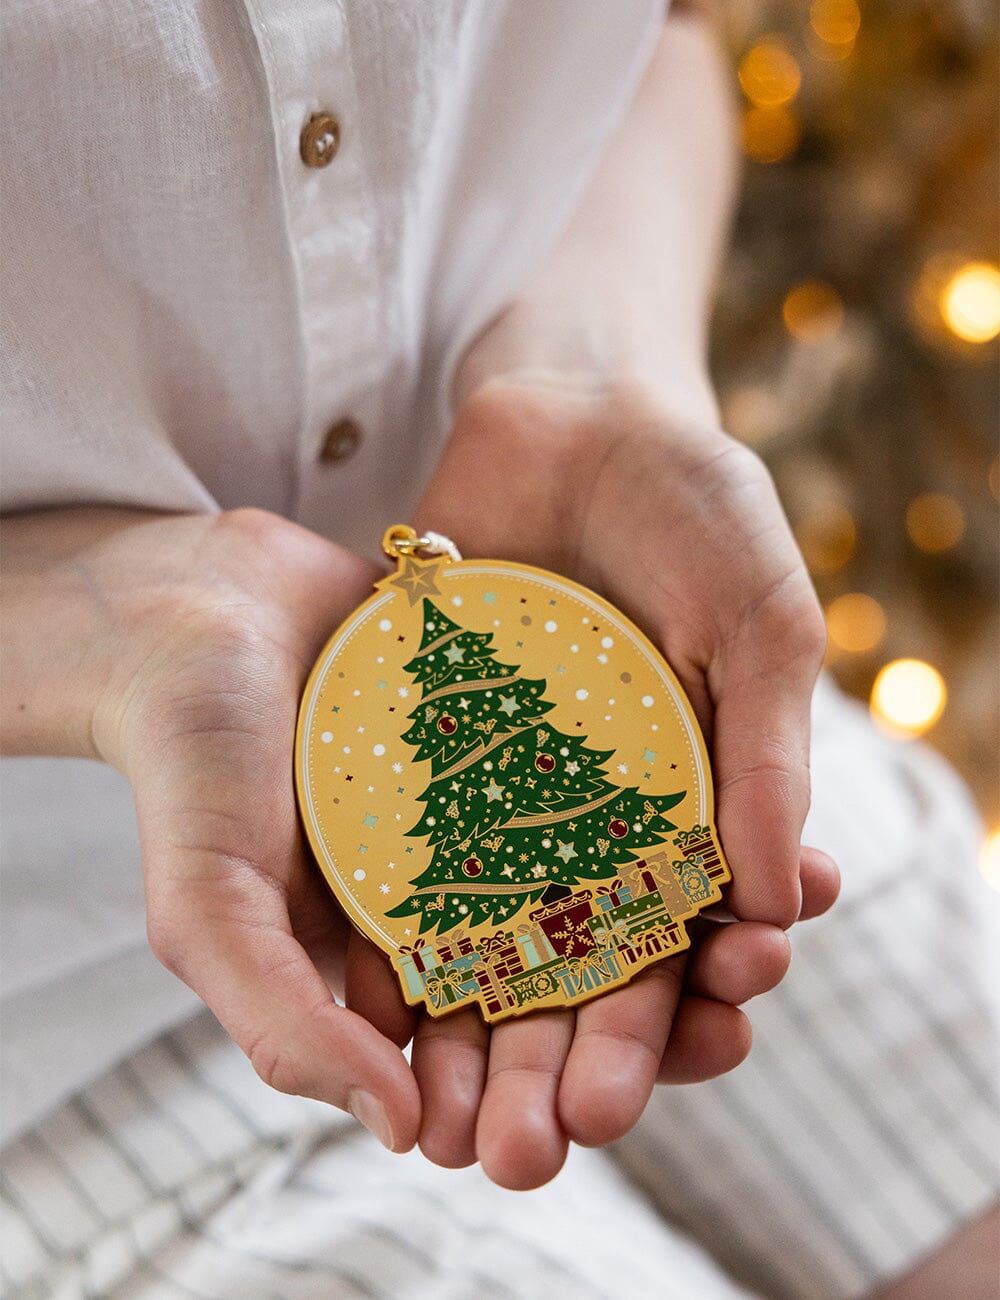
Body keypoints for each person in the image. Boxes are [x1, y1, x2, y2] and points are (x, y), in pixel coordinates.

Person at [1, 2, 996, 1296]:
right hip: (49, 1015)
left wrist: (591, 365)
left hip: (588, 631)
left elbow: (677, 26)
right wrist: (81, 613)